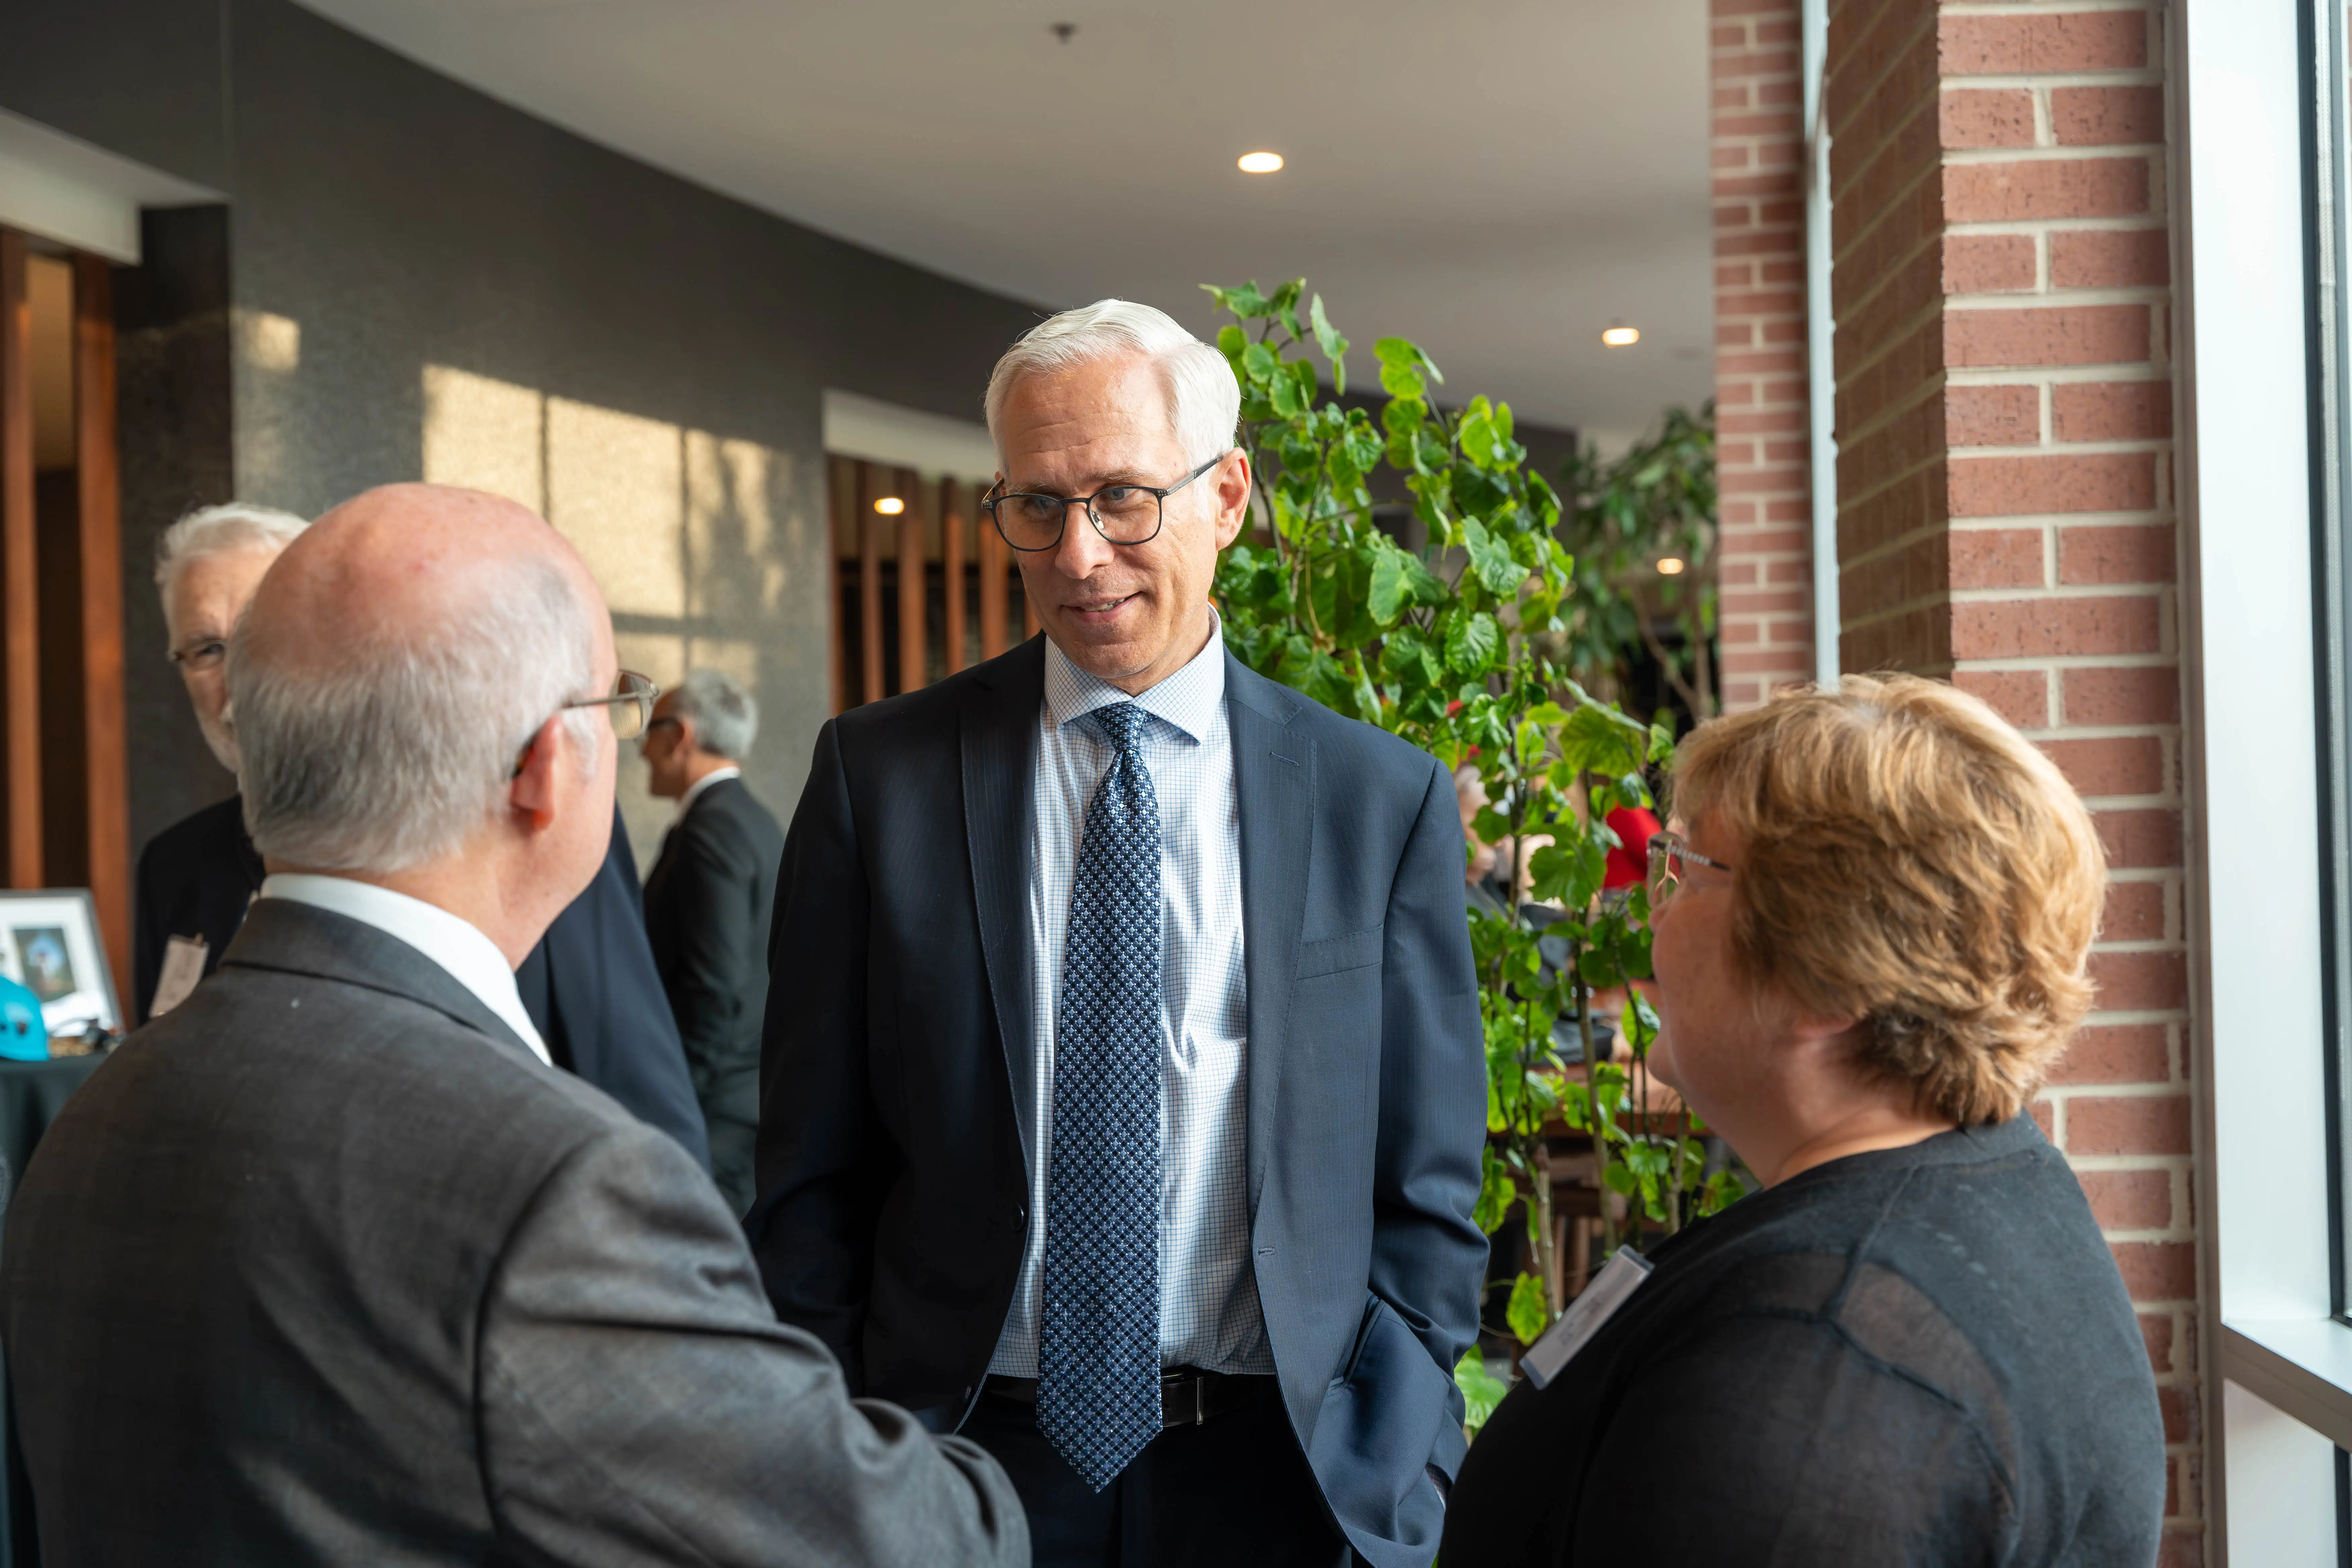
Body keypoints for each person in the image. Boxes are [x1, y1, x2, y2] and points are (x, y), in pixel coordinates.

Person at [0, 484, 1026, 1566]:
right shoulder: (559, 1193)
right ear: (545, 768)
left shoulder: (85, 1119)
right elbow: (905, 1543)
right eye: (613, 706)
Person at [751, 300, 1488, 1568]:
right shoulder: (880, 779)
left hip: (1280, 1470)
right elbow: (809, 1169)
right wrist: (844, 1439)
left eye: (1123, 499)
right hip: (963, 1462)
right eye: (1036, 506)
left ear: (1228, 495)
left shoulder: (1378, 800)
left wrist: (1398, 1437)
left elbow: (1426, 1182)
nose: (1079, 555)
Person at [1441, 675, 2166, 1565]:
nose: (1655, 915)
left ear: (1829, 974)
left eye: (1689, 870)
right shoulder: (1984, 1182)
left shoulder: (1814, 1385)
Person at [131, 502, 710, 1168]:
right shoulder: (172, 866)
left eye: (263, 635)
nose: (239, 677)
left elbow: (642, 1101)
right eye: (207, 648)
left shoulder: (518, 820)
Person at [642, 669, 783, 1214]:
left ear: (681, 736)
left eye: (650, 731)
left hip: (713, 1110)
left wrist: (673, 1102)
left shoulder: (712, 829)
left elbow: (713, 987)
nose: (641, 752)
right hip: (743, 1097)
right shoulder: (752, 820)